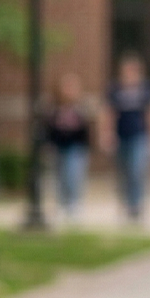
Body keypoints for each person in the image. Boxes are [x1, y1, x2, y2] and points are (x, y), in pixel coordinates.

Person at [103, 53, 150, 222]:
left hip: (139, 135)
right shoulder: (115, 88)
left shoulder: (145, 88)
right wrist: (108, 134)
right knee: (123, 171)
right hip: (120, 136)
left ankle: (136, 204)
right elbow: (109, 112)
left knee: (137, 170)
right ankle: (124, 202)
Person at [45, 72, 92, 221]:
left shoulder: (81, 108)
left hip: (76, 148)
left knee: (73, 175)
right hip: (59, 147)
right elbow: (48, 129)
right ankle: (61, 203)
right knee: (59, 177)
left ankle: (74, 203)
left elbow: (87, 131)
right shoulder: (54, 109)